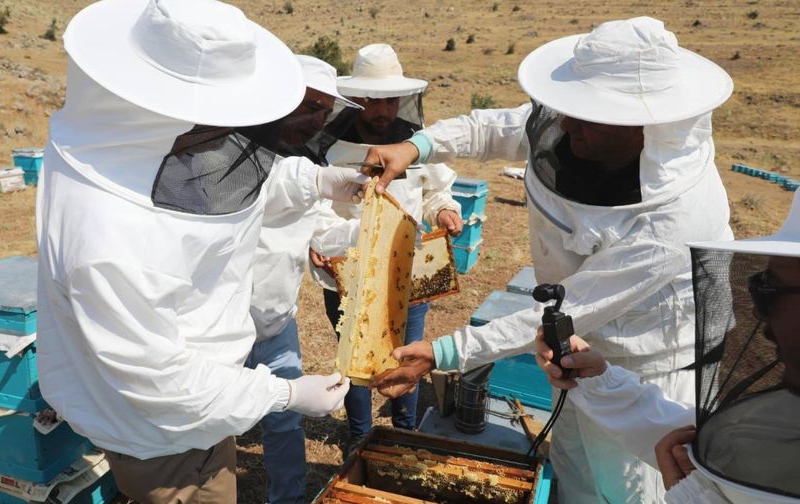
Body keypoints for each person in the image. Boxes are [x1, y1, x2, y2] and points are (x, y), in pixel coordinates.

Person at [366, 17, 734, 503]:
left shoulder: (674, 216)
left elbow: (573, 305)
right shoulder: (570, 124)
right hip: (574, 351)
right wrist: (418, 146)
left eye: (589, 115)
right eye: (570, 108)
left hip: (646, 366)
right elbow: (494, 127)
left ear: (644, 123)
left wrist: (444, 353)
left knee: (623, 490)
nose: (567, 124)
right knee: (574, 470)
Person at [36, 1, 363, 502]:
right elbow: (161, 382)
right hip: (163, 435)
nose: (240, 135)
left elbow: (228, 179)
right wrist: (285, 393)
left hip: (202, 405)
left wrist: (318, 180)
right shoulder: (107, 237)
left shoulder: (136, 144)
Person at [534, 190, 800, 503]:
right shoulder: (782, 412)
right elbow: (719, 441)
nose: (756, 311)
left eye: (769, 290)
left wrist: (692, 497)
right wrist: (598, 379)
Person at [307, 44, 463, 449]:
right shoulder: (329, 150)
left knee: (407, 354)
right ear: (355, 100)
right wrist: (332, 241)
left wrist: (445, 210)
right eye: (372, 101)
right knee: (357, 360)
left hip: (408, 275)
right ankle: (360, 438)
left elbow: (436, 192)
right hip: (348, 274)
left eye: (390, 100)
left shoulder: (417, 144)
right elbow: (317, 214)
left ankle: (406, 431)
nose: (382, 111)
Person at [246, 55, 362, 504]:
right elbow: (273, 187)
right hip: (219, 327)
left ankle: (288, 499)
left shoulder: (305, 162)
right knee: (212, 427)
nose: (316, 118)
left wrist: (377, 226)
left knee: (285, 421)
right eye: (307, 104)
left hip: (276, 320)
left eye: (324, 109)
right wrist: (318, 180)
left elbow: (323, 231)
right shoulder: (229, 155)